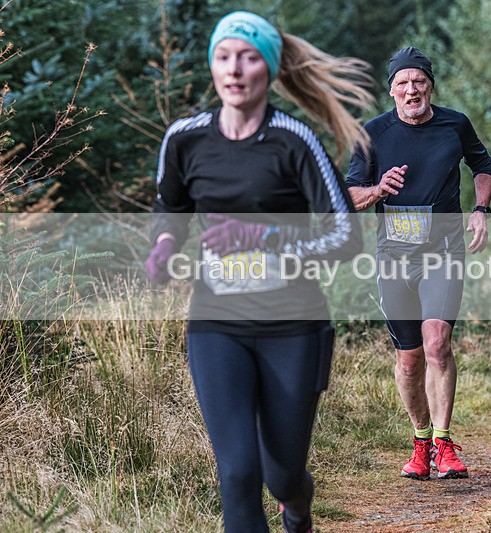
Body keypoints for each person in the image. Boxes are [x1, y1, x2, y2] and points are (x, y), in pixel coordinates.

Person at [144, 11, 373, 532]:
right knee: (237, 472)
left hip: (293, 327)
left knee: (282, 475)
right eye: (223, 56)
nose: (234, 69)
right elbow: (171, 206)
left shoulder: (295, 141)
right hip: (216, 324)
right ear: (212, 65)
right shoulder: (185, 138)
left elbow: (345, 236)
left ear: (268, 69)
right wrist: (163, 244)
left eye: (248, 58)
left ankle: (297, 508)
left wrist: (262, 236)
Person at [346, 46, 491, 480]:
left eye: (419, 81)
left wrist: (480, 209)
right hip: (394, 258)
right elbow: (349, 196)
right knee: (410, 359)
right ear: (391, 90)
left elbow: (481, 163)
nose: (412, 89)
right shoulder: (372, 134)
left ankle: (444, 445)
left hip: (444, 252)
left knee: (437, 344)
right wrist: (378, 190)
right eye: (403, 83)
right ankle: (421, 441)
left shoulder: (455, 124)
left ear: (431, 86)